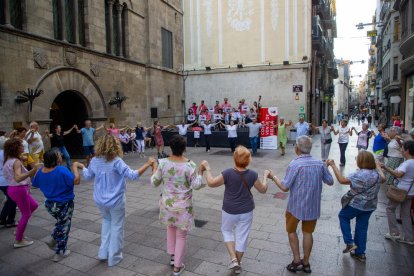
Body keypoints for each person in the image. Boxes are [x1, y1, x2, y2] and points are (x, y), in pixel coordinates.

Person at [82, 134, 155, 266]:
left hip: (100, 200)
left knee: (106, 222)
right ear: (115, 145)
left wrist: (81, 168)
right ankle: (114, 257)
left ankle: (103, 253)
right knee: (117, 226)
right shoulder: (116, 161)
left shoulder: (94, 160)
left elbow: (87, 176)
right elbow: (133, 175)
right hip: (115, 200)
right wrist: (148, 164)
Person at [267, 136, 334, 273]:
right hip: (313, 206)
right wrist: (326, 166)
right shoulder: (319, 163)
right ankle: (306, 263)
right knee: (308, 233)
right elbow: (330, 181)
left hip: (295, 206)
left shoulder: (295, 164)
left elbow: (284, 187)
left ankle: (297, 260)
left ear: (297, 148)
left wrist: (273, 177)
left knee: (291, 231)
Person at [201, 146, 269, 274]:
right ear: (248, 160)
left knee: (227, 230)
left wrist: (208, 169)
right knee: (242, 237)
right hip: (247, 210)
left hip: (229, 210)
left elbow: (211, 183)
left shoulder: (227, 173)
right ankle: (237, 263)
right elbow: (263, 190)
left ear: (234, 159)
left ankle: (233, 259)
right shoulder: (253, 174)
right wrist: (265, 176)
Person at [150, 135, 204, 275]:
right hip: (183, 206)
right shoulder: (190, 165)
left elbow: (154, 182)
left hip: (167, 204)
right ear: (184, 148)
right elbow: (197, 185)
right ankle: (177, 267)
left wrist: (154, 167)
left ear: (171, 147)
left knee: (170, 229)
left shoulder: (162, 163)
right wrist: (201, 172)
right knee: (181, 235)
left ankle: (173, 257)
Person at [326, 151, 385, 262]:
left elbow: (342, 180)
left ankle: (349, 242)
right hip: (370, 206)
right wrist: (378, 167)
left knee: (343, 216)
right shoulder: (377, 174)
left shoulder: (358, 174)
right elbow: (383, 178)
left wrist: (333, 165)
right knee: (362, 227)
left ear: (360, 161)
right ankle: (360, 253)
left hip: (356, 204)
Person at [32, 148, 84, 262]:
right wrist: (75, 167)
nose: (61, 155)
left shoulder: (41, 171)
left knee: (61, 222)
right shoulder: (61, 170)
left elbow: (35, 183)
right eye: (59, 155)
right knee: (65, 226)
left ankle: (53, 239)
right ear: (55, 159)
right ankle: (60, 251)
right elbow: (76, 181)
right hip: (64, 204)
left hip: (50, 205)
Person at [2, 138, 41, 248]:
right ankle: (19, 240)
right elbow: (18, 178)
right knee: (26, 214)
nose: (23, 147)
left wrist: (21, 160)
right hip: (19, 189)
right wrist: (32, 171)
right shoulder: (16, 162)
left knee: (34, 205)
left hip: (13, 189)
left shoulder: (9, 159)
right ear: (15, 148)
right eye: (21, 145)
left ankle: (19, 229)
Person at [381, 140, 414, 245]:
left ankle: (394, 233)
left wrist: (385, 167)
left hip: (400, 190)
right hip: (410, 191)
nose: (401, 150)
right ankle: (409, 237)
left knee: (390, 209)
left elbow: (398, 174)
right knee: (406, 214)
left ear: (407, 150)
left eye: (403, 148)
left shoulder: (407, 163)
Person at [0, 136, 17, 228]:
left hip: (1, 181)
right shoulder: (6, 154)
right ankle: (10, 220)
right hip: (7, 181)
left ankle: (2, 219)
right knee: (13, 201)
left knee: (9, 200)